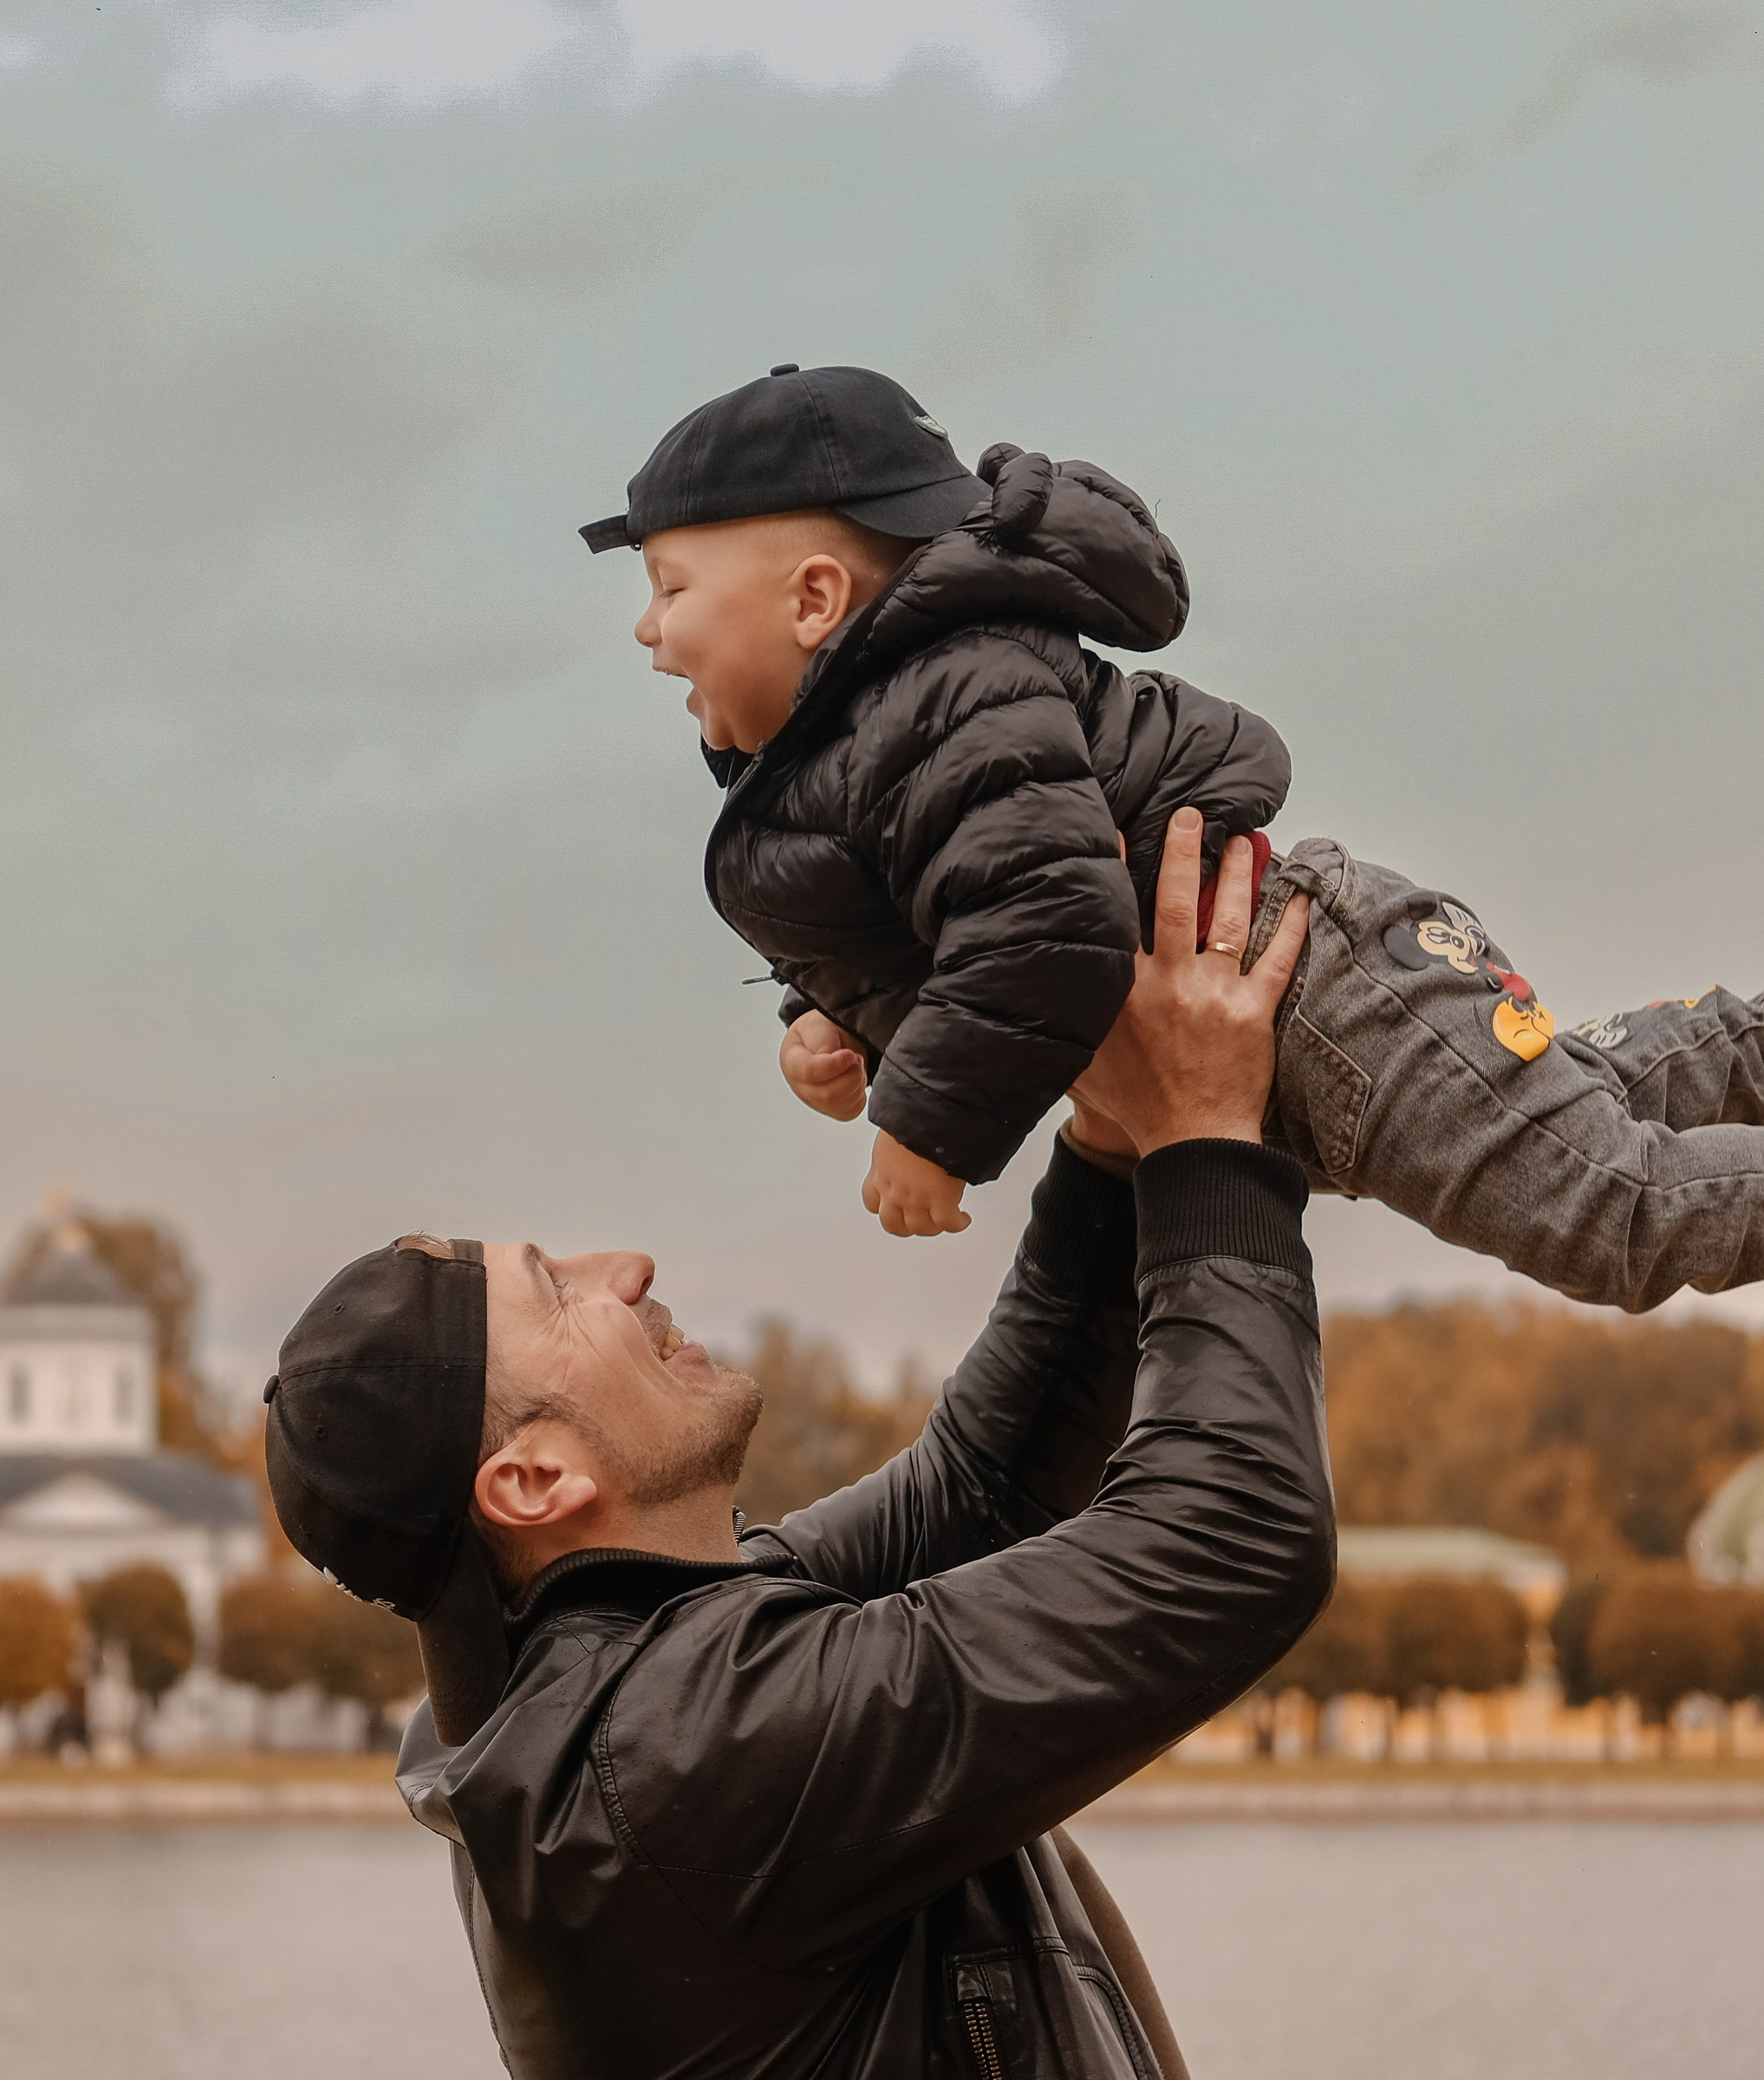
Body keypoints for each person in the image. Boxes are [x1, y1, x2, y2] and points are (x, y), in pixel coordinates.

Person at [262, 827, 1331, 2080]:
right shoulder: (679, 1757)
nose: (632, 1270)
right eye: (562, 1294)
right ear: (533, 1481)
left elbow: (983, 1484)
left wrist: (1107, 1139)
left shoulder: (611, 1685)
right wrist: (1208, 1139)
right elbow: (1234, 1538)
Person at [582, 362, 1764, 1312]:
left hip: (1314, 995)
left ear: (814, 600)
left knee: (1616, 1215)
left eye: (672, 589)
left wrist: (929, 1123)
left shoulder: (952, 694)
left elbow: (1044, 920)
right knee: (1596, 1109)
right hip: (1299, 1012)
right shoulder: (878, 734)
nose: (645, 631)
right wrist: (843, 1027)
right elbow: (950, 905)